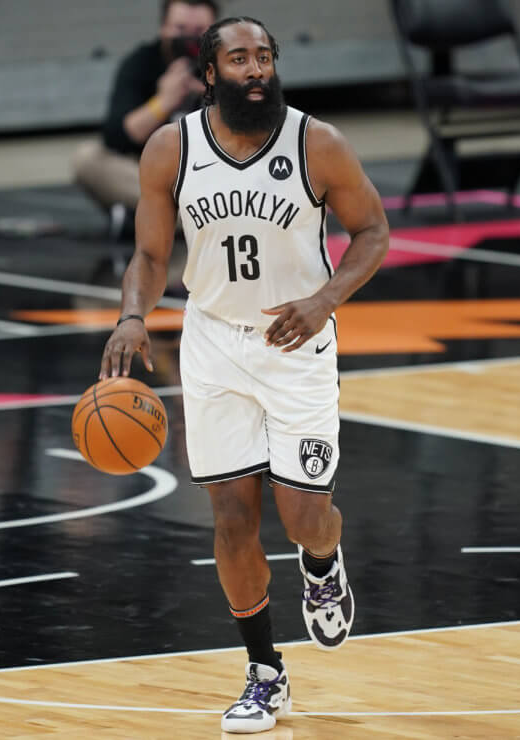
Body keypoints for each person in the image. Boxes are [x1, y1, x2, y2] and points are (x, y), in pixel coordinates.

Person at [99, 16, 389, 734]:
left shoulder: (316, 143)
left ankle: (322, 563)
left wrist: (325, 299)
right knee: (231, 516)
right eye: (239, 59)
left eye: (264, 57)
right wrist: (133, 316)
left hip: (297, 344)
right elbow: (151, 254)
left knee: (302, 518)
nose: (256, 69)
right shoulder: (173, 148)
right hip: (215, 344)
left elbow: (374, 231)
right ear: (210, 75)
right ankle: (265, 674)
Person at [72, 0, 217, 240]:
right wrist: (162, 102)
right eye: (180, 29)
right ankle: (186, 220)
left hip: (211, 183)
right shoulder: (141, 63)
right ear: (163, 28)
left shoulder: (232, 65)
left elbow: (253, 139)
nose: (189, 40)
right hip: (157, 180)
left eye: (198, 31)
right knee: (87, 158)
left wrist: (213, 97)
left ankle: (146, 219)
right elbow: (117, 137)